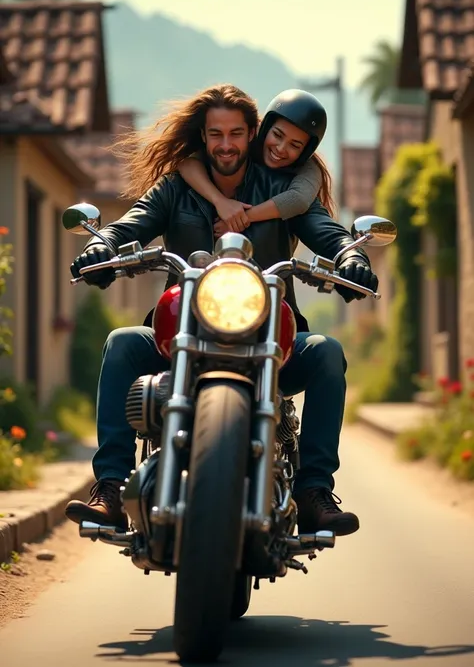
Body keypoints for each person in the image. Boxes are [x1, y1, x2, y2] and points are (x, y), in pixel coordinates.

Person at [65, 84, 378, 538]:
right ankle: (111, 487)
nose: (226, 144)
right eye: (216, 134)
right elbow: (132, 222)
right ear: (204, 136)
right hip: (180, 336)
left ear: (253, 133)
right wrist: (102, 244)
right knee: (121, 344)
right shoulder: (175, 187)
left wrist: (352, 257)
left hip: (273, 338)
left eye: (236, 133)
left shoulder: (282, 187)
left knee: (327, 352)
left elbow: (324, 229)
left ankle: (314, 492)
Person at [177, 88, 333, 236]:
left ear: (306, 151)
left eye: (295, 145)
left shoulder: (310, 168)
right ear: (264, 128)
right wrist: (220, 201)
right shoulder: (244, 139)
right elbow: (188, 163)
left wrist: (239, 219)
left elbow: (298, 200)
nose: (280, 148)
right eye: (277, 135)